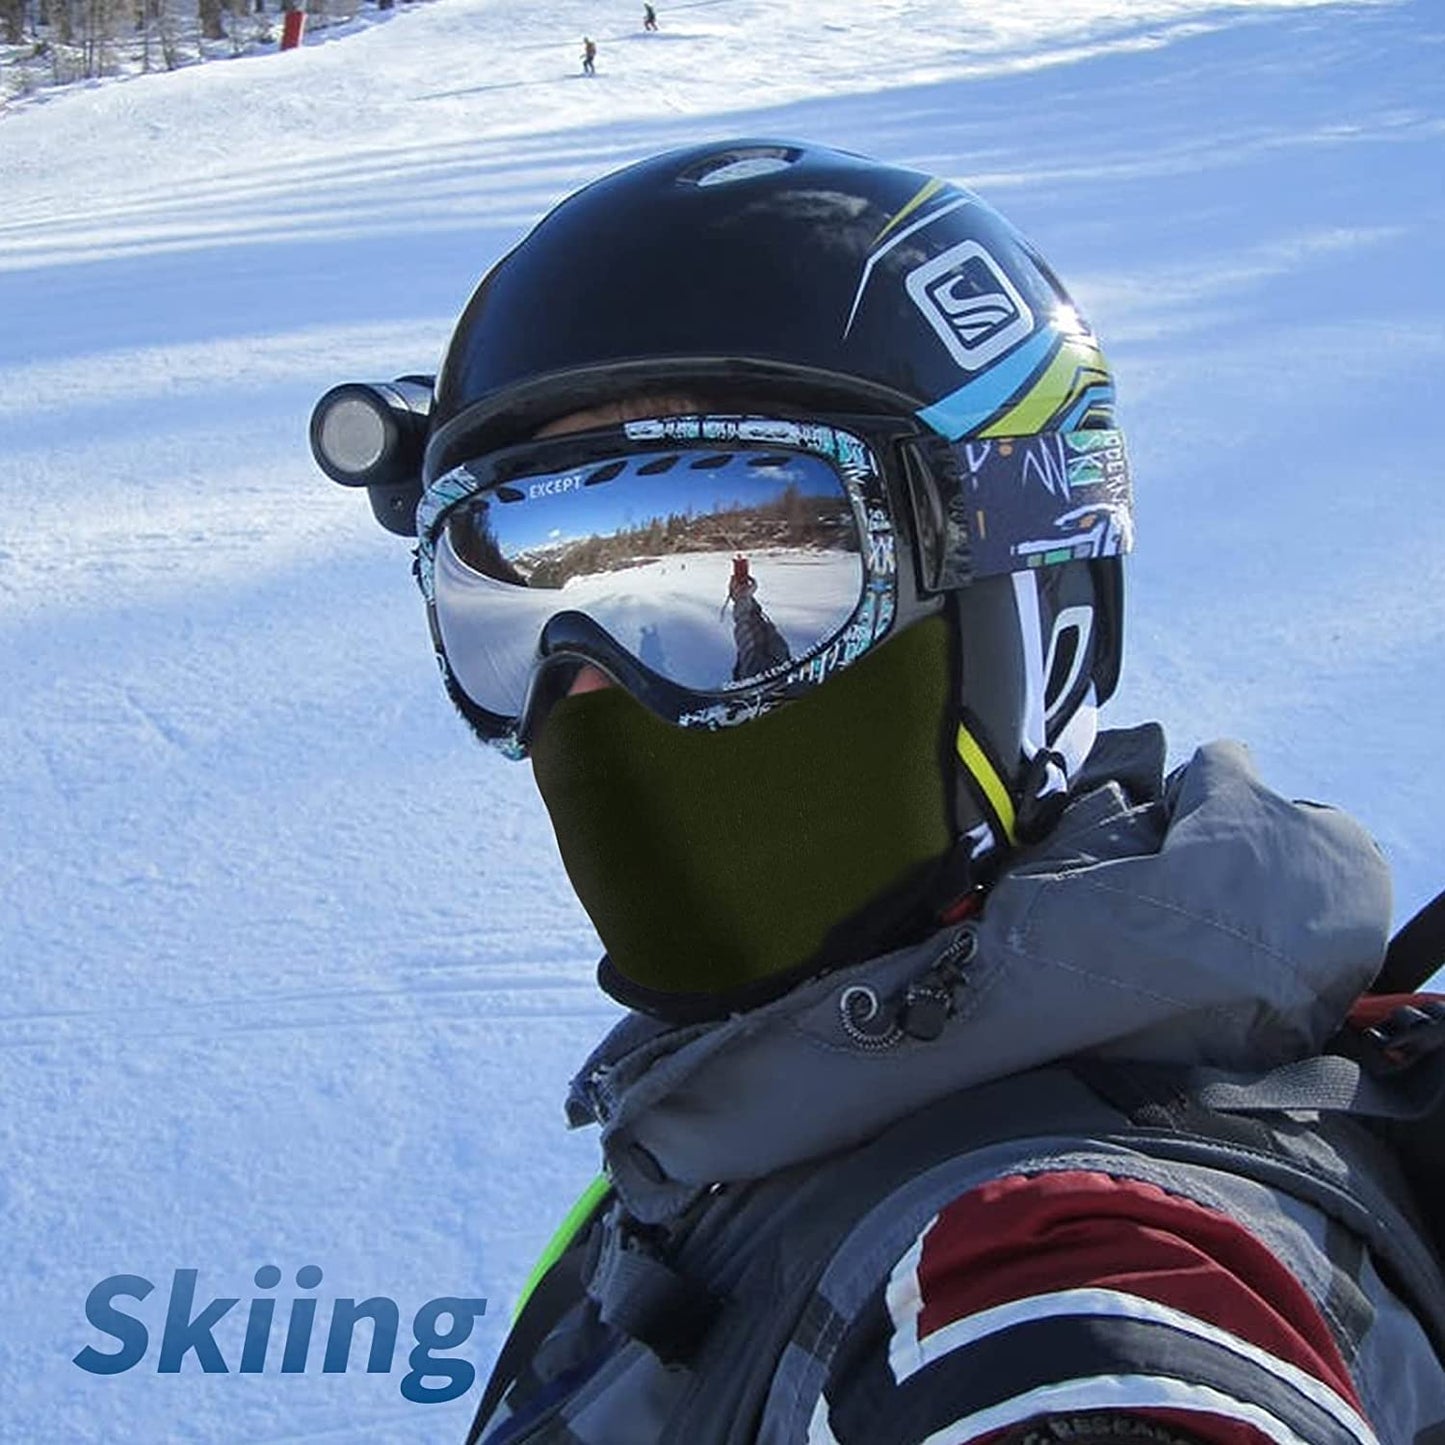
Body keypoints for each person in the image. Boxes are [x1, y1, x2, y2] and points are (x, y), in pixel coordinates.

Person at [314, 140, 1445, 1445]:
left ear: (1022, 597)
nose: (595, 693)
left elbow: (1102, 1366)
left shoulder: (1059, 1268)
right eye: (516, 602)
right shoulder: (734, 1118)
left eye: (728, 580)